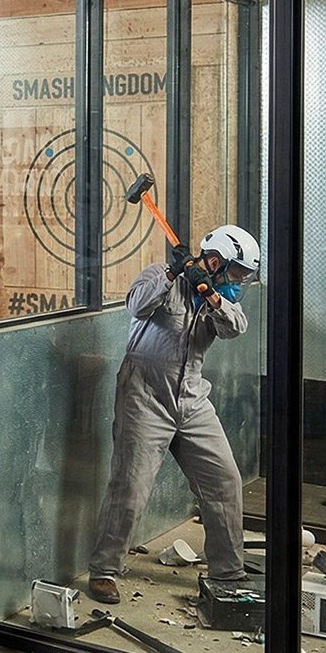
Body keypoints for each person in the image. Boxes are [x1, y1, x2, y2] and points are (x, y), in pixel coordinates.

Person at [85, 224, 261, 607]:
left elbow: (235, 327)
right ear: (214, 260)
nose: (238, 282)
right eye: (235, 273)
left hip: (192, 397)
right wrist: (172, 272)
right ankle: (104, 570)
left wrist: (211, 293)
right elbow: (136, 304)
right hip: (144, 394)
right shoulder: (160, 277)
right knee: (131, 485)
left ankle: (228, 572)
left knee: (225, 480)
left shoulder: (215, 295)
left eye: (243, 277)